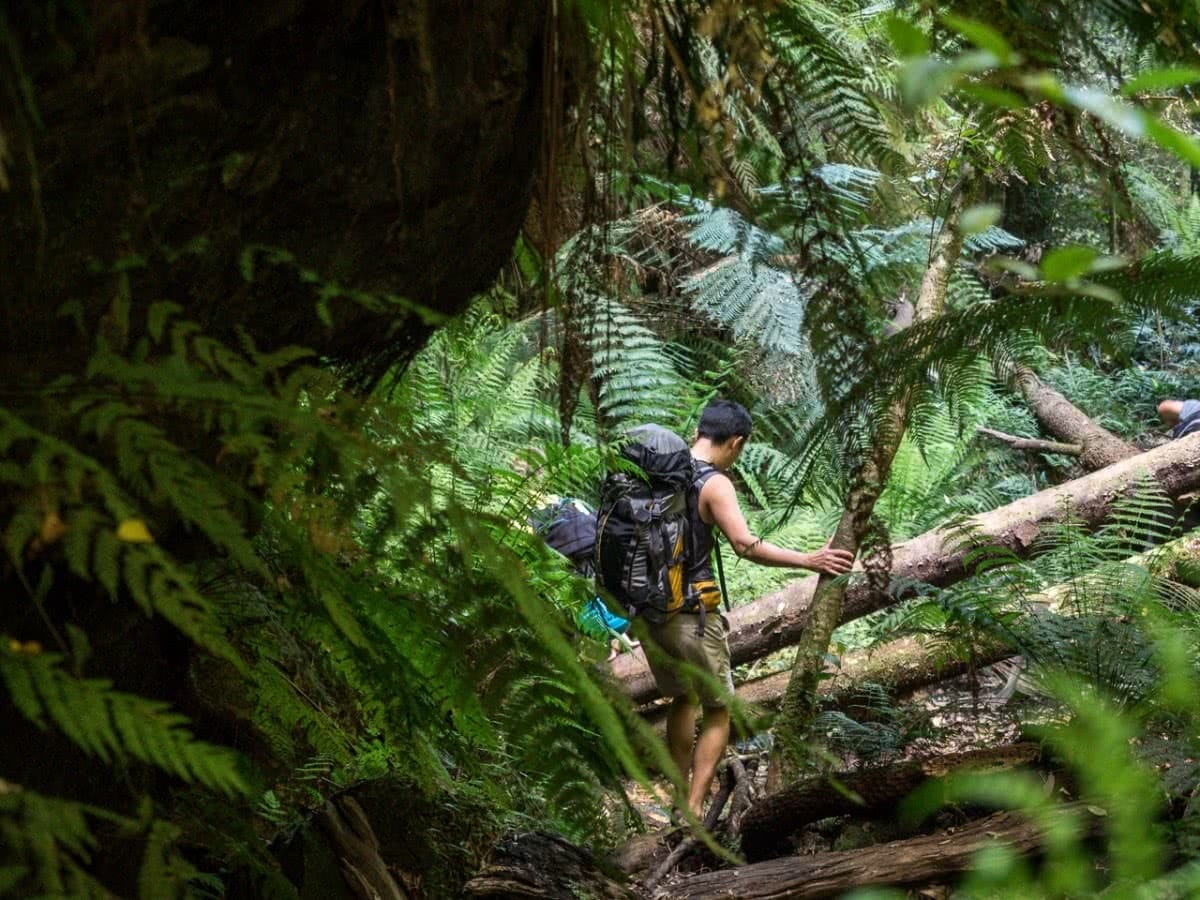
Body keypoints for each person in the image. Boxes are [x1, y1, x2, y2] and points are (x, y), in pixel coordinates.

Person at [641, 398, 855, 817]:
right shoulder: (714, 483)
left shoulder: (657, 470)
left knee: (682, 699)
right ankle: (693, 809)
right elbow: (745, 544)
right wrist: (809, 560)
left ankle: (676, 800)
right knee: (718, 708)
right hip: (691, 614)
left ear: (698, 431)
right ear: (736, 442)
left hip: (647, 608)